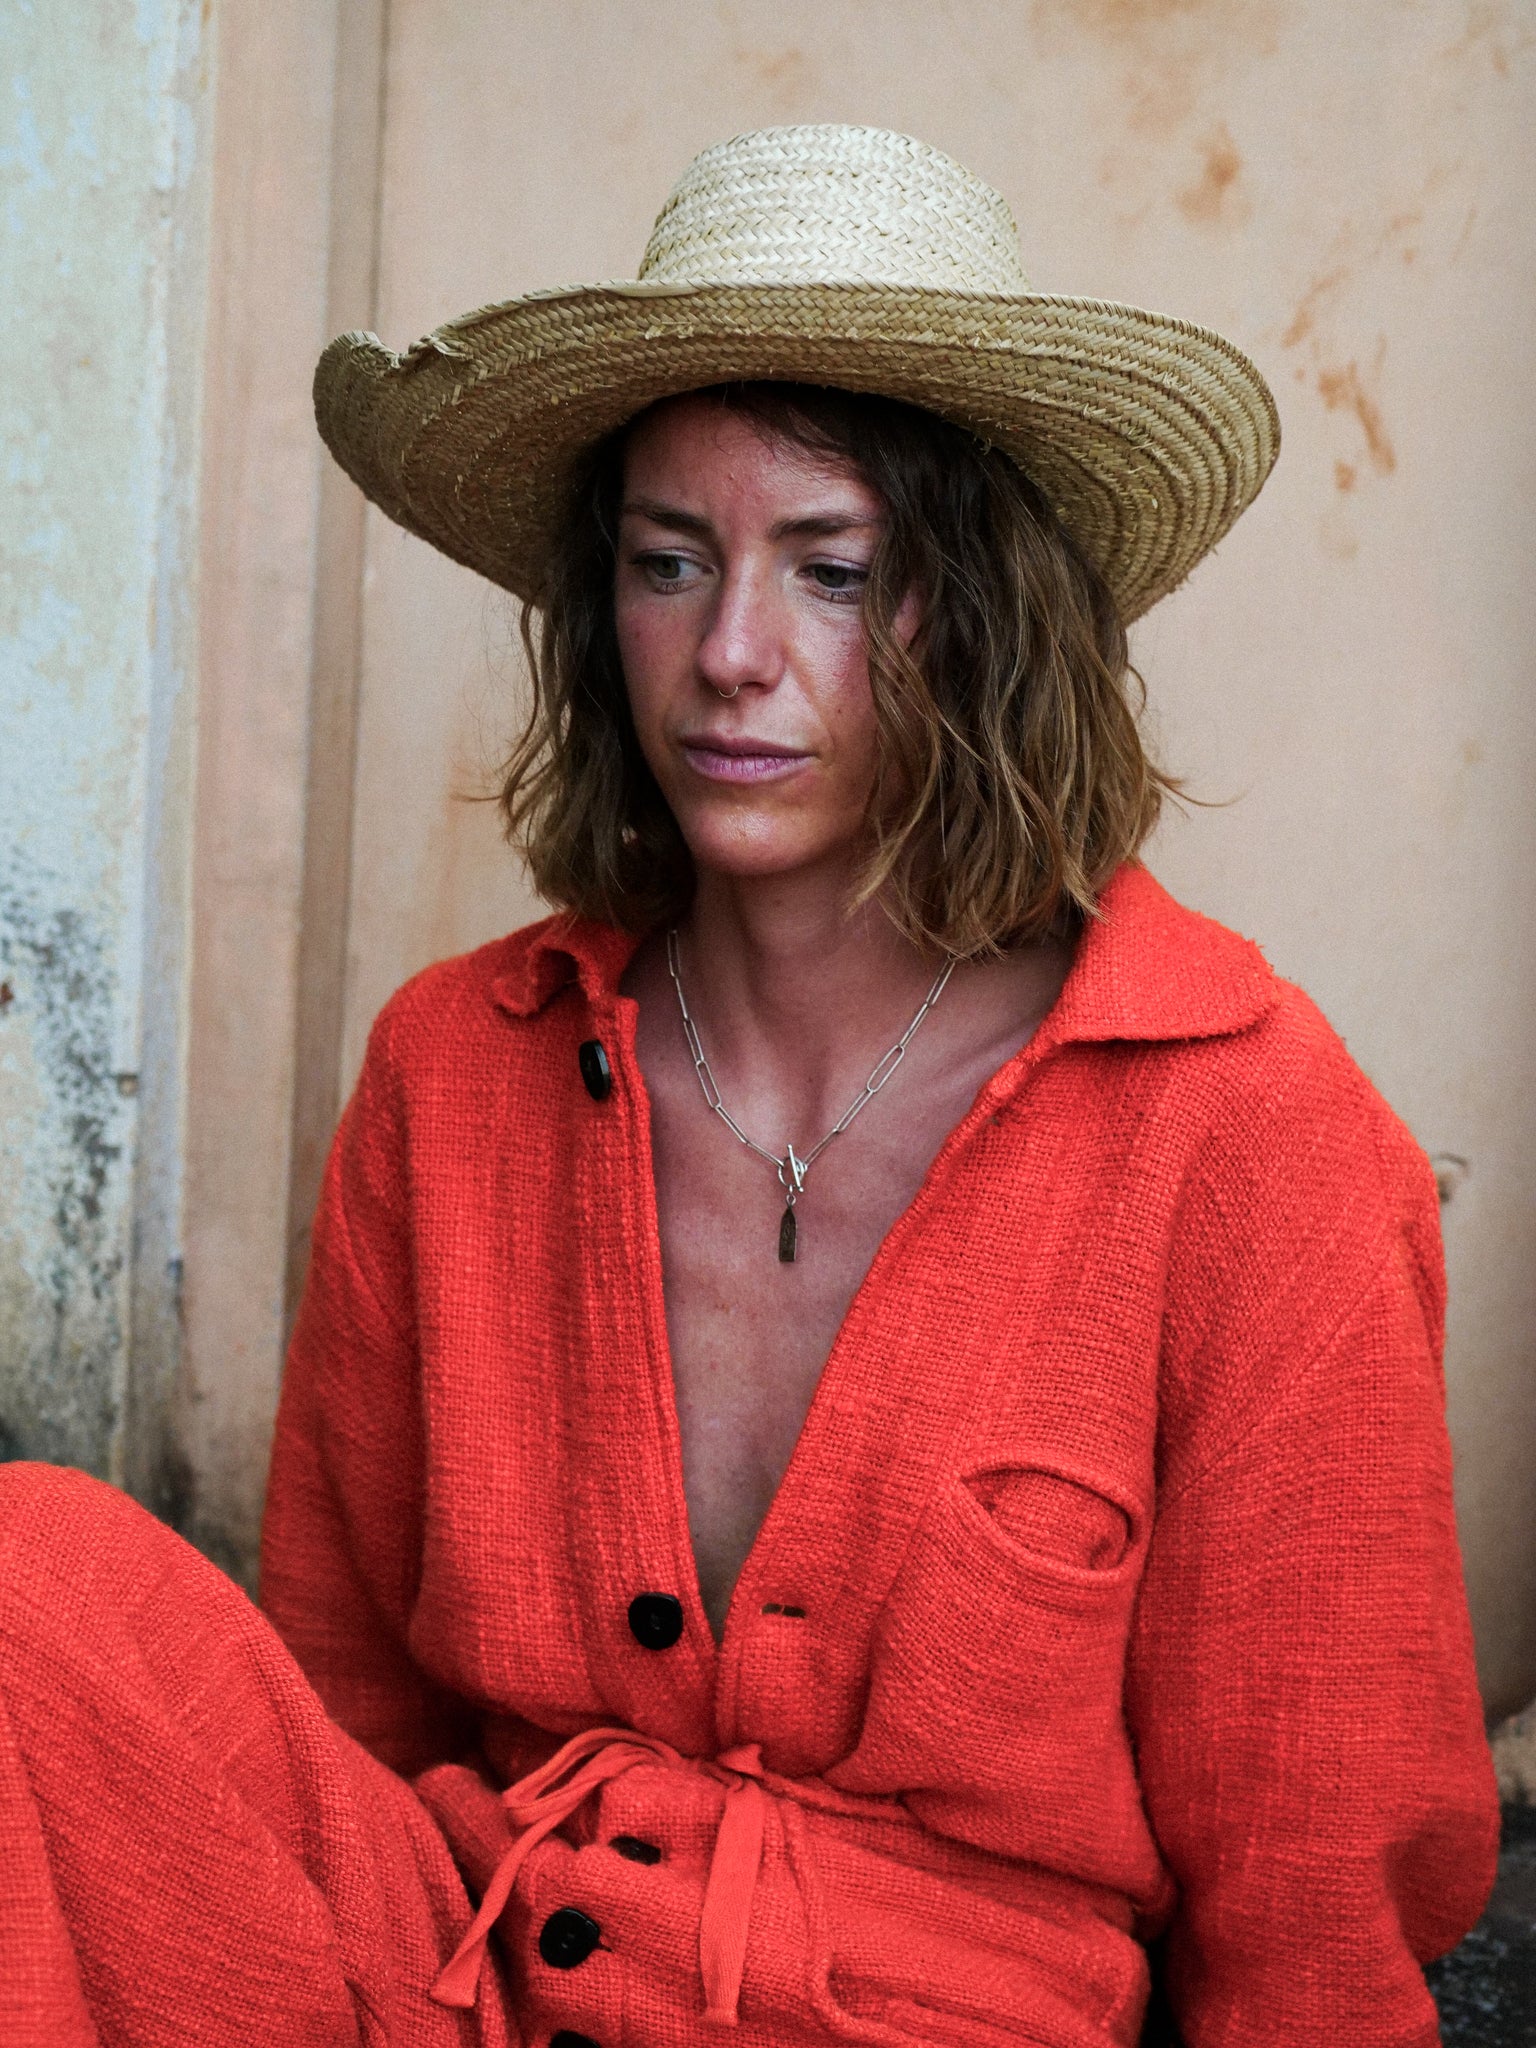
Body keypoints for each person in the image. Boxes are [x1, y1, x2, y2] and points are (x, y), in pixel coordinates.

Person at [0, 124, 1498, 2048]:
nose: (729, 655)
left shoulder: (1249, 1136)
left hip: (941, 2016)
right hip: (464, 1969)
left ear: (986, 609)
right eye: (668, 563)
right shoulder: (457, 1072)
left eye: (834, 569)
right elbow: (337, 1719)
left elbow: (1313, 1895)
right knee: (37, 1571)